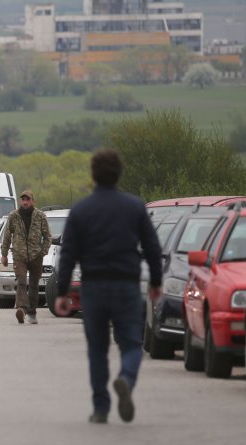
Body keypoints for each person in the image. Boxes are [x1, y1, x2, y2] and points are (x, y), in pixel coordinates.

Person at [54, 149, 162, 425]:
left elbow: (68, 253)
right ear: (119, 173)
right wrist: (156, 282)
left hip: (93, 287)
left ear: (93, 175)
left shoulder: (81, 210)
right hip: (126, 286)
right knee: (131, 343)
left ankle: (100, 408)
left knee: (97, 349)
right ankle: (126, 378)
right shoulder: (135, 207)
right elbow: (152, 246)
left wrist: (63, 291)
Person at [0, 190, 52, 325]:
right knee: (22, 282)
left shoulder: (40, 216)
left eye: (28, 199)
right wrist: (4, 254)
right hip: (19, 255)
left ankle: (32, 312)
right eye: (23, 199)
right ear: (20, 201)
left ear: (32, 201)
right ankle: (22, 309)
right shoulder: (14, 216)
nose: (25, 202)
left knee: (34, 285)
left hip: (36, 255)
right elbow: (7, 236)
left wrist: (43, 251)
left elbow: (47, 236)